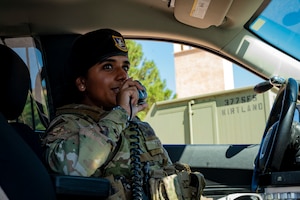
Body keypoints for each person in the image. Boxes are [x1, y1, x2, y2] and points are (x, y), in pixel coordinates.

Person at [42, 28, 205, 199]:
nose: (122, 75)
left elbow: (167, 177)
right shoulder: (67, 124)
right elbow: (69, 168)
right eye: (108, 66)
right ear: (82, 82)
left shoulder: (139, 127)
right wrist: (121, 114)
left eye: (125, 66)